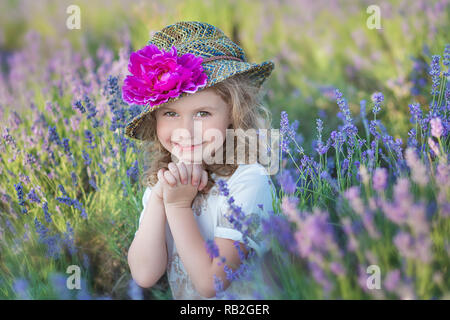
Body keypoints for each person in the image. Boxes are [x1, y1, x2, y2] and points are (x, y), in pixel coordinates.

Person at [124, 21, 277, 299]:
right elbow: (144, 274)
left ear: (233, 113)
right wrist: (160, 199)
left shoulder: (247, 181)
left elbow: (212, 284)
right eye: (170, 114)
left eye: (202, 113)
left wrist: (179, 205)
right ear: (154, 119)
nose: (185, 129)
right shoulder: (164, 183)